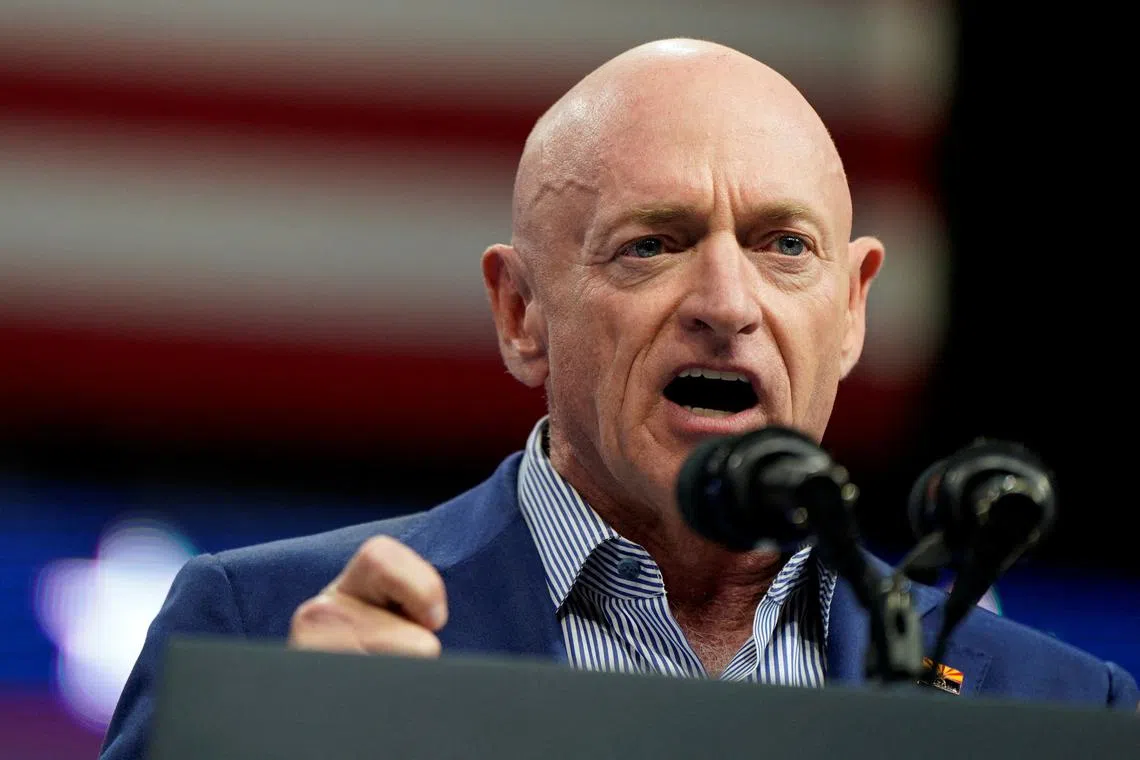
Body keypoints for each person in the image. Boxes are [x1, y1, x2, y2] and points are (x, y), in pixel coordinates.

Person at [99, 38, 1138, 759]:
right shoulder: (260, 638)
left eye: (785, 246)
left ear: (854, 307)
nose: (728, 303)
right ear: (521, 314)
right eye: (654, 244)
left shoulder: (1053, 708)